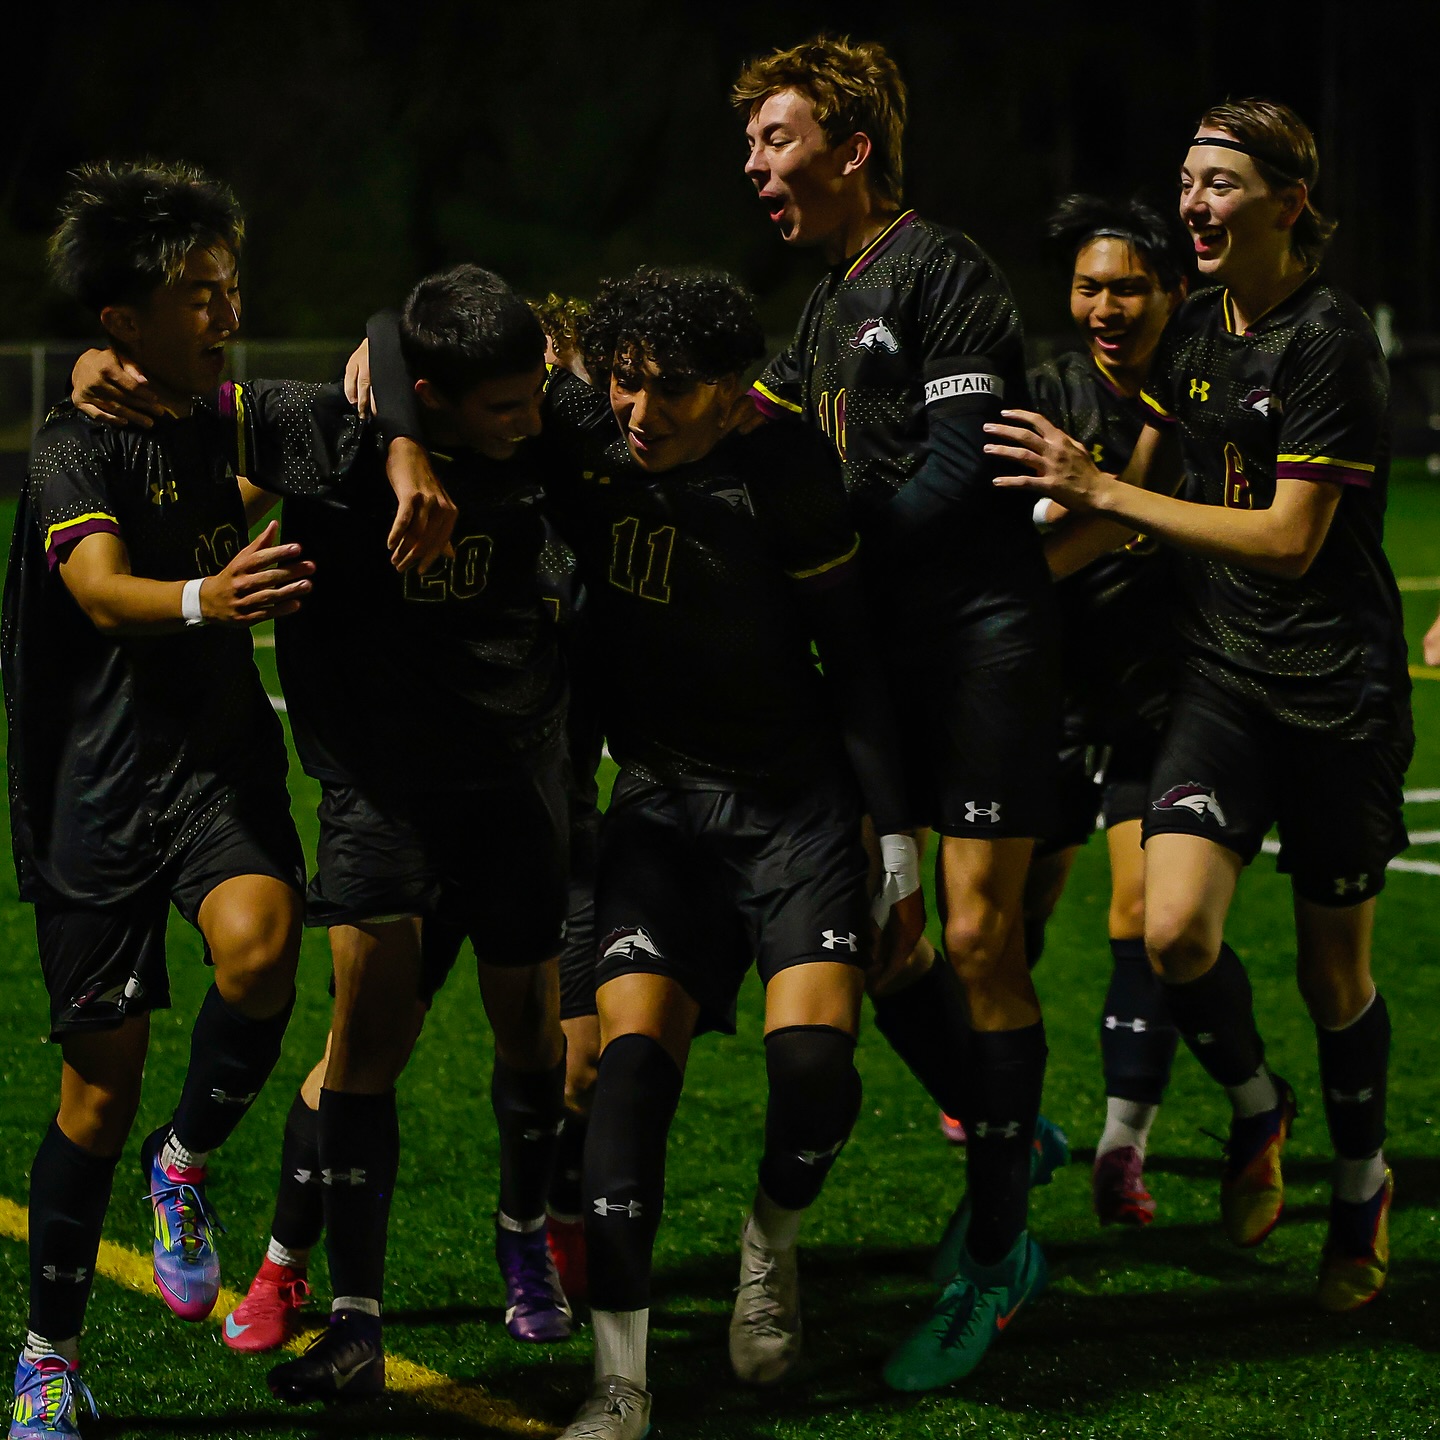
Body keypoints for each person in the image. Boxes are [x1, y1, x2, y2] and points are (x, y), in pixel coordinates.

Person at [368, 264, 925, 1440]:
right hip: (661, 809)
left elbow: (857, 662)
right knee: (621, 1085)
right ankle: (619, 1386)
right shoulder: (587, 437)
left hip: (794, 810)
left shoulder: (786, 469)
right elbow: (400, 324)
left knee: (815, 1070)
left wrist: (901, 844)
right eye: (623, 384)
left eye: (671, 390)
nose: (639, 412)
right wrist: (407, 444)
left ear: (733, 392)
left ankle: (768, 1242)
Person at [70, 265, 575, 1402]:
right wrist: (94, 366)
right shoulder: (322, 432)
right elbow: (169, 400)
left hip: (512, 778)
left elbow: (687, 397)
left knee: (533, 1038)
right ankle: (351, 1313)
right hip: (376, 790)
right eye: (501, 408)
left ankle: (521, 1234)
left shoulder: (544, 421)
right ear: (429, 396)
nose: (532, 421)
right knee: (364, 1049)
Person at [987, 98, 1410, 1313]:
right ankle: (1259, 1109)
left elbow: (1286, 538)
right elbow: (1134, 494)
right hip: (1222, 678)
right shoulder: (1198, 333)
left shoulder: (1331, 342)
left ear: (1289, 201)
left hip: (1339, 692)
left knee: (1339, 978)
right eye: (1187, 180)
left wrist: (1106, 502)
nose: (1194, 203)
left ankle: (1363, 1186)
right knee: (1171, 932)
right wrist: (980, 595)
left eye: (1220, 183)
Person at [734, 35, 1061, 1389]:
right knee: (893, 948)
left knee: (979, 940)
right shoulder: (821, 306)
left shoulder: (944, 272)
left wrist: (823, 561)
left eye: (777, 140)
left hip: (980, 647)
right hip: (882, 669)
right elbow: (761, 446)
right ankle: (1002, 1123)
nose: (757, 168)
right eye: (750, 146)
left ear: (853, 149)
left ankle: (998, 1256)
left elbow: (957, 479)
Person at [3, 160, 311, 1440]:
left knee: (262, 951)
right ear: (122, 320)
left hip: (212, 766)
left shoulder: (228, 415)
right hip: (92, 792)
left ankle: (181, 1164)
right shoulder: (73, 441)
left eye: (232, 287)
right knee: (97, 1089)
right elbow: (98, 589)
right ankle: (49, 1356)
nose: (225, 312)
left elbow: (381, 380)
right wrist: (209, 599)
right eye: (198, 292)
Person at [1023, 195, 1190, 1225]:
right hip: (1042, 696)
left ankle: (1124, 1145)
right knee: (1004, 926)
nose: (1107, 305)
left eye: (1129, 285)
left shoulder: (1204, 395)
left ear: (1172, 292)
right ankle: (997, 1105)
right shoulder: (1042, 395)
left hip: (1156, 698)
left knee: (1141, 916)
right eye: (1090, 286)